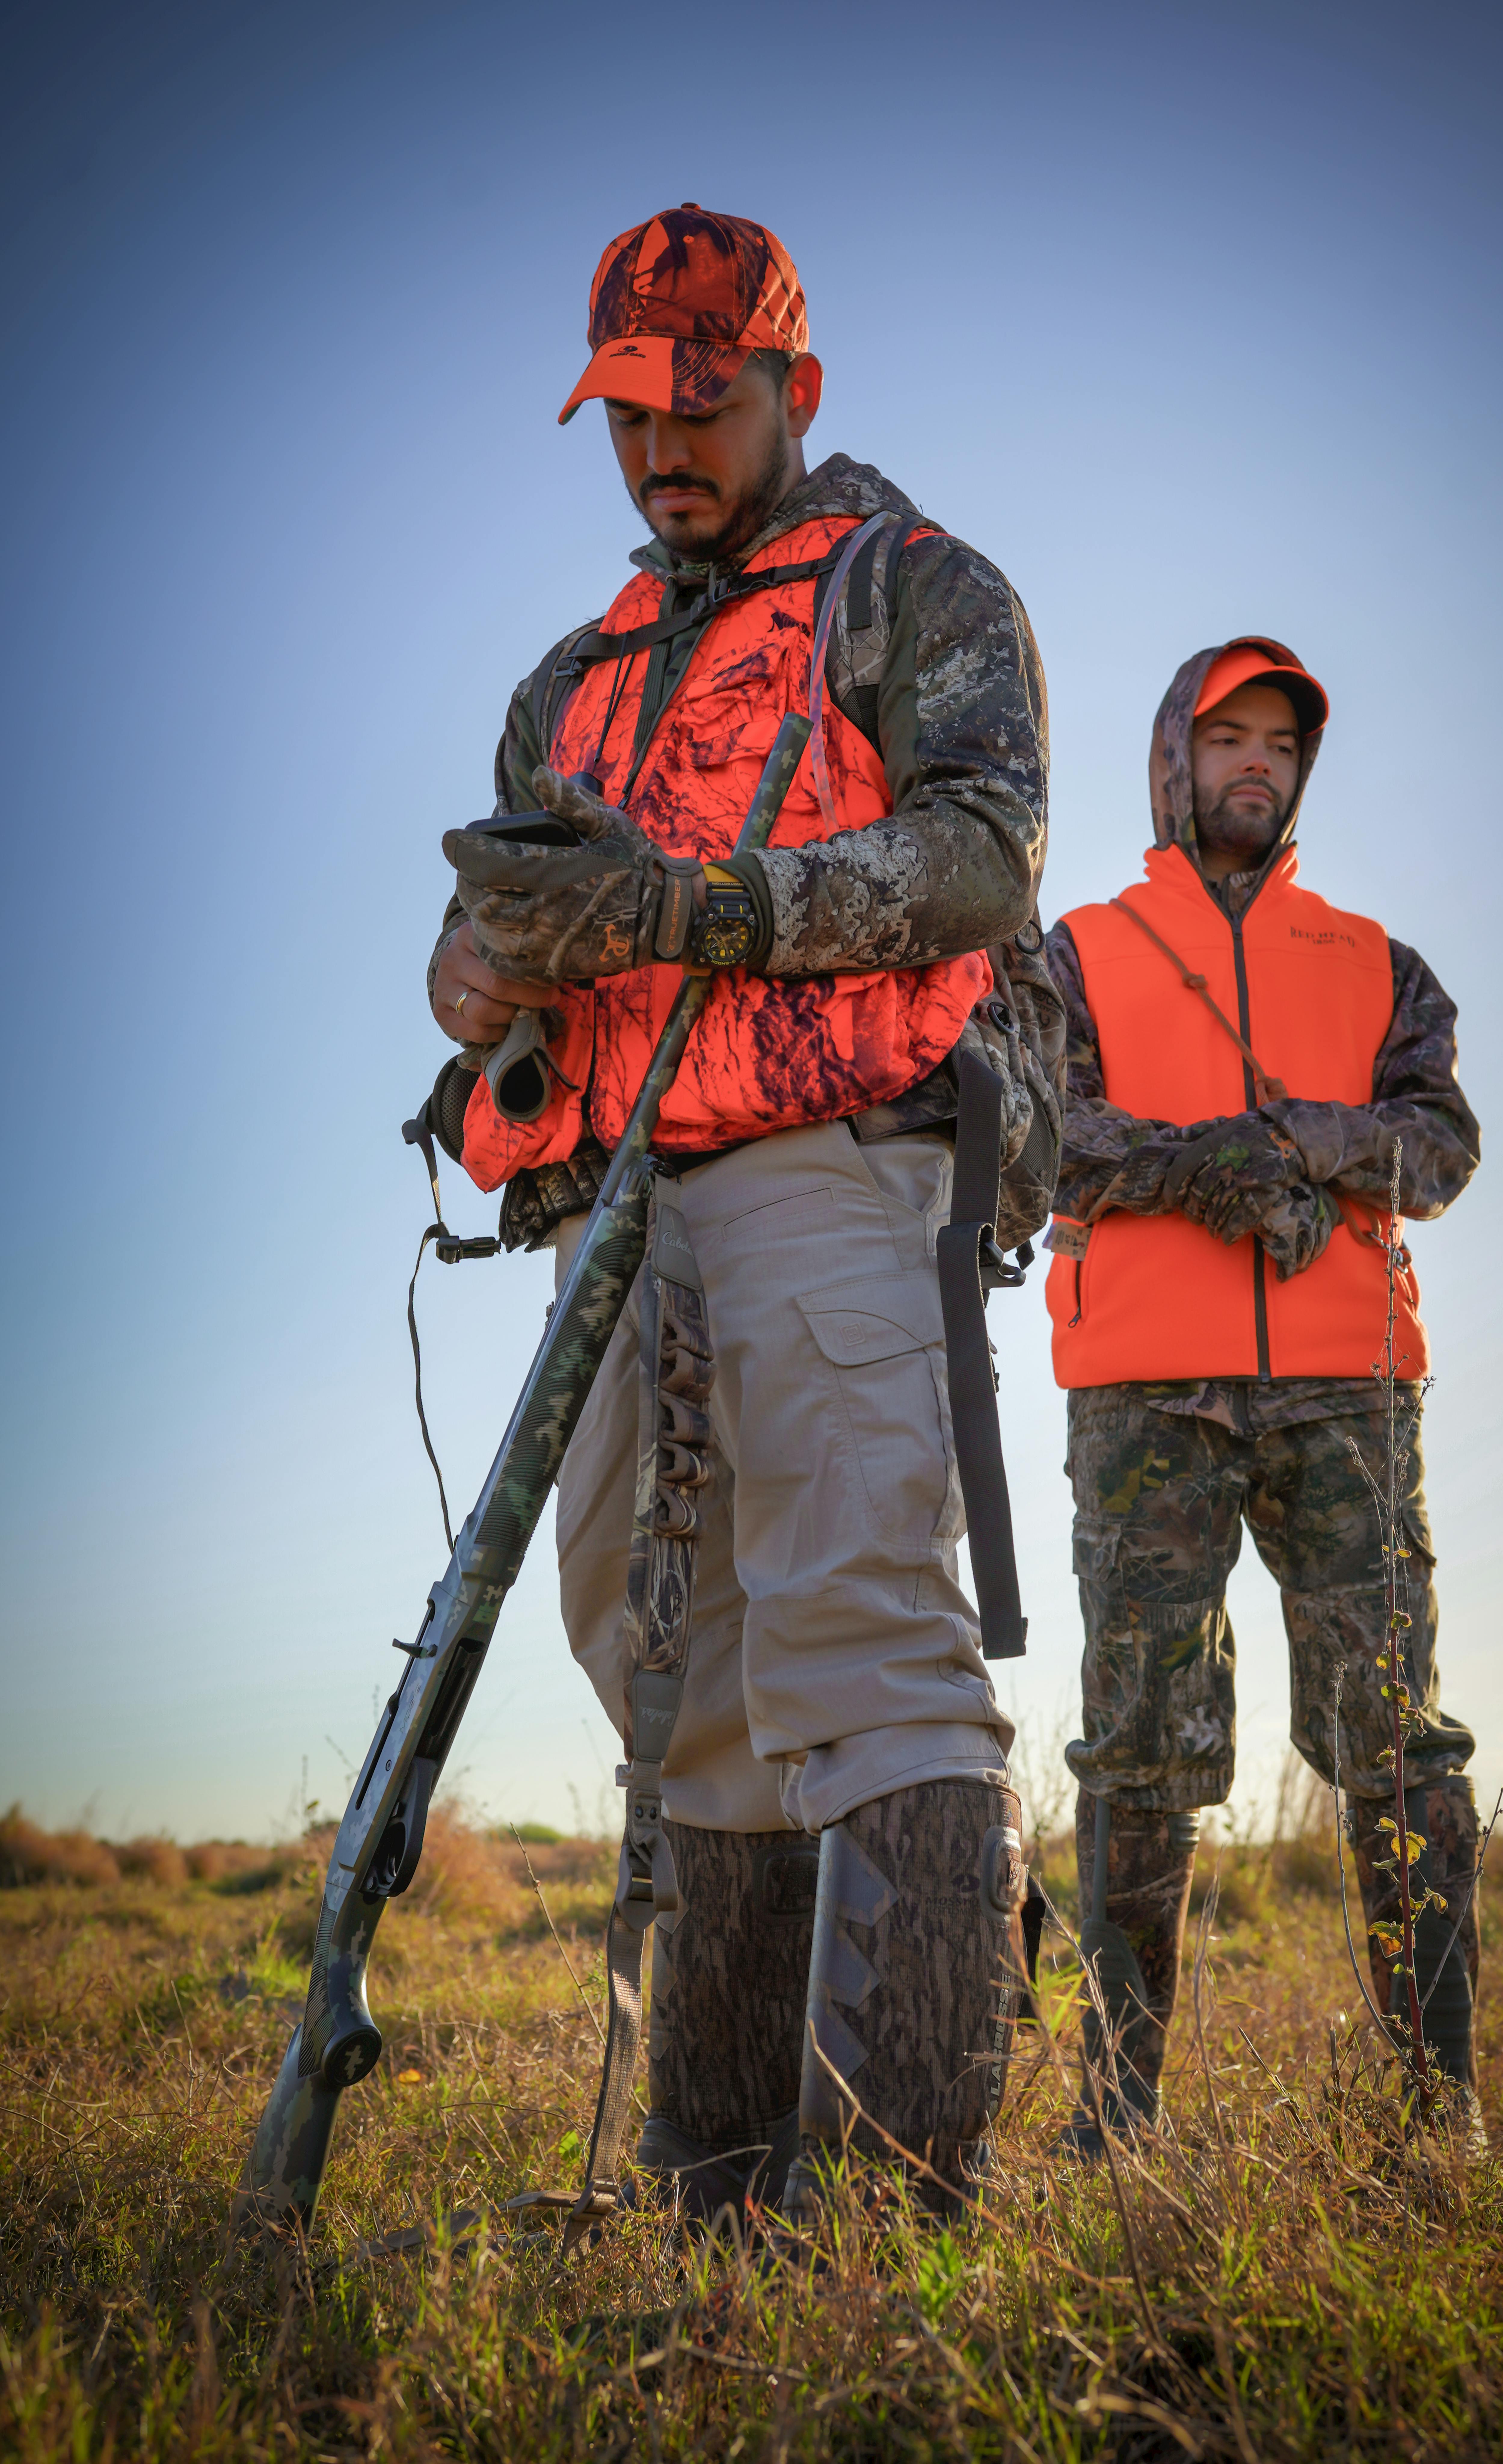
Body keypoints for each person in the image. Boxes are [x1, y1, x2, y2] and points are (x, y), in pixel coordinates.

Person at [427, 205, 1062, 2221]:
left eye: (701, 396)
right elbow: (506, 933)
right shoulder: (570, 680)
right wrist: (481, 982)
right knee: (656, 1650)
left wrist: (699, 913)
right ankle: (720, 2187)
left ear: (796, 381)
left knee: (861, 1625)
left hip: (836, 1159)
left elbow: (981, 863)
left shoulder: (915, 587)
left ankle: (894, 2217)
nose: (660, 443)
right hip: (617, 1203)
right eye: (627, 405)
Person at [1043, 637, 1483, 2140]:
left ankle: (1441, 2113)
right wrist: (1197, 1171)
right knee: (1136, 1752)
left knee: (1398, 1743)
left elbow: (1441, 1147)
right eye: (1226, 734)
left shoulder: (1376, 962)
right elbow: (1037, 1138)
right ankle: (1116, 2121)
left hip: (1346, 1387)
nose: (1254, 761)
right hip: (1141, 1389)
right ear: (1172, 756)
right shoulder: (1076, 947)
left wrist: (1301, 1138)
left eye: (1279, 744)